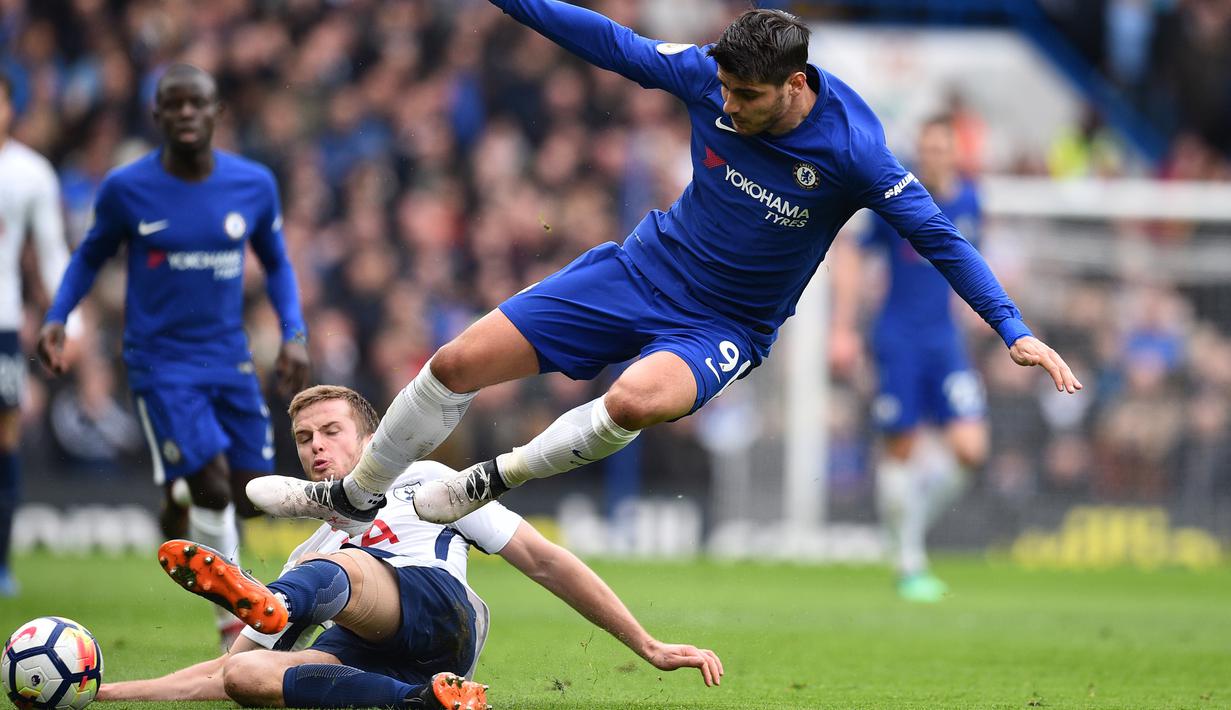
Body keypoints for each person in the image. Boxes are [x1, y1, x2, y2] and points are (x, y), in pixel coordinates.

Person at [249, 3, 1081, 536]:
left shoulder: (854, 152)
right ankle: (353, 496)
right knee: (455, 362)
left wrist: (1013, 330)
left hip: (724, 327)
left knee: (634, 400)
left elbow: (941, 237)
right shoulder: (707, 77)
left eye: (744, 98)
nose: (723, 105)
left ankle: (481, 484)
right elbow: (608, 43)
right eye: (719, 87)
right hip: (639, 268)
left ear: (793, 85)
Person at [95, 385, 723, 709]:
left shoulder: (424, 482)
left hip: (439, 612)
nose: (316, 446)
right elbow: (215, 674)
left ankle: (278, 608)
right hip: (384, 659)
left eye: (332, 431)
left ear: (370, 441)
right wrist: (107, 692)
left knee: (333, 568)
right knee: (244, 671)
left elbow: (544, 559)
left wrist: (648, 644)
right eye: (305, 436)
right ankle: (423, 703)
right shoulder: (312, 546)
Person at [37, 64, 310, 645]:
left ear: (218, 113)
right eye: (175, 104)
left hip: (228, 356)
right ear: (158, 115)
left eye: (198, 103)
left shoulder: (253, 184)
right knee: (213, 484)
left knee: (248, 494)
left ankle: (176, 493)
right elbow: (89, 256)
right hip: (159, 361)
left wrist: (295, 334)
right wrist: (60, 316)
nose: (187, 113)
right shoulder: (126, 189)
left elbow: (279, 262)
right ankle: (232, 622)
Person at [829, 115, 989, 602]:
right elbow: (853, 253)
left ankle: (903, 529)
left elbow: (969, 263)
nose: (933, 156)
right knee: (900, 449)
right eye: (926, 148)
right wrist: (842, 327)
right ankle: (909, 559)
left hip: (944, 340)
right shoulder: (895, 198)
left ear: (955, 151)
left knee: (970, 449)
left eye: (941, 147)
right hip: (897, 338)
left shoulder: (970, 202)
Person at [0, 72, 73, 597]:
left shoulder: (29, 173)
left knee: (5, 441)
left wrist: (70, 318)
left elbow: (51, 252)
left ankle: (0, 561)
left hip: (1, 324)